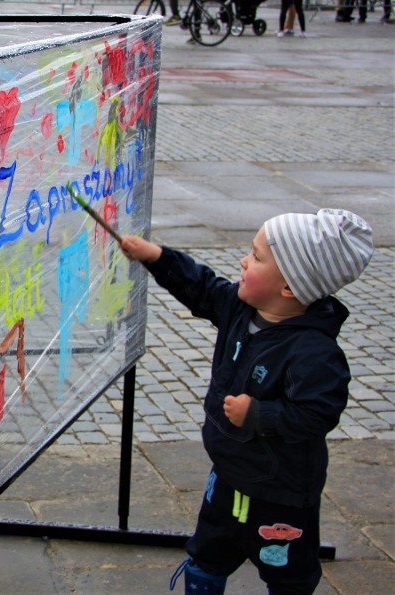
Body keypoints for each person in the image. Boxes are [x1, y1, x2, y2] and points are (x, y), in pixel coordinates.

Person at [119, 209, 374, 594]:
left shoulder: (314, 352)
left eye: (256, 257)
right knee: (205, 557)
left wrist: (257, 413)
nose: (243, 260)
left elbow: (318, 413)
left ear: (288, 288)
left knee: (289, 577)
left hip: (282, 496)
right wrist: (157, 256)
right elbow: (201, 287)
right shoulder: (240, 309)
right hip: (226, 477)